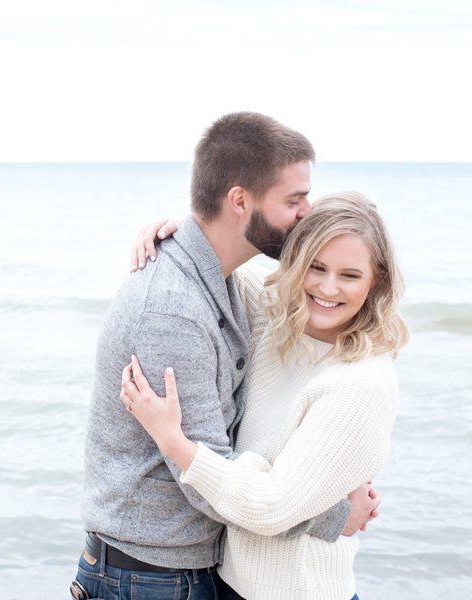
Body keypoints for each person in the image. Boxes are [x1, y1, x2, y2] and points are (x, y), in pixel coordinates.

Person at [71, 113, 380, 600]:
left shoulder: (225, 280)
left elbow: (299, 297)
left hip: (177, 569)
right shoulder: (174, 312)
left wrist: (182, 228)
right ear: (240, 200)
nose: (307, 213)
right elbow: (204, 476)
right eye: (294, 200)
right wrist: (337, 516)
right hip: (151, 578)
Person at [119, 192, 408, 600]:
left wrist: (175, 443)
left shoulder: (362, 383)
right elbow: (218, 259)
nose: (327, 288)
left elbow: (271, 507)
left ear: (376, 278)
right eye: (316, 267)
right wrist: (171, 232)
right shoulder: (276, 314)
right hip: (230, 584)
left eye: (349, 275)